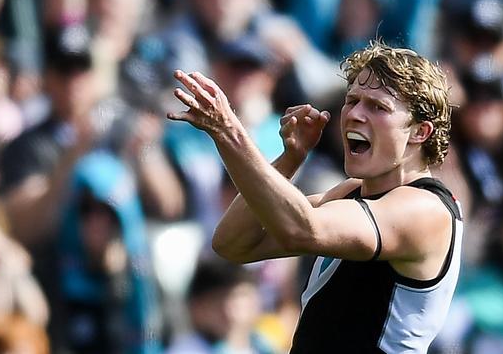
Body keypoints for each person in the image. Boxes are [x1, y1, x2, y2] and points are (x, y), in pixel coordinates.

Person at [167, 41, 463, 353]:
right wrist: (288, 160)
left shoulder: (426, 208)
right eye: (352, 101)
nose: (355, 115)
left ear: (420, 132)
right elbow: (233, 243)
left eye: (378, 107)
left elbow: (301, 229)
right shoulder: (350, 193)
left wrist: (229, 132)